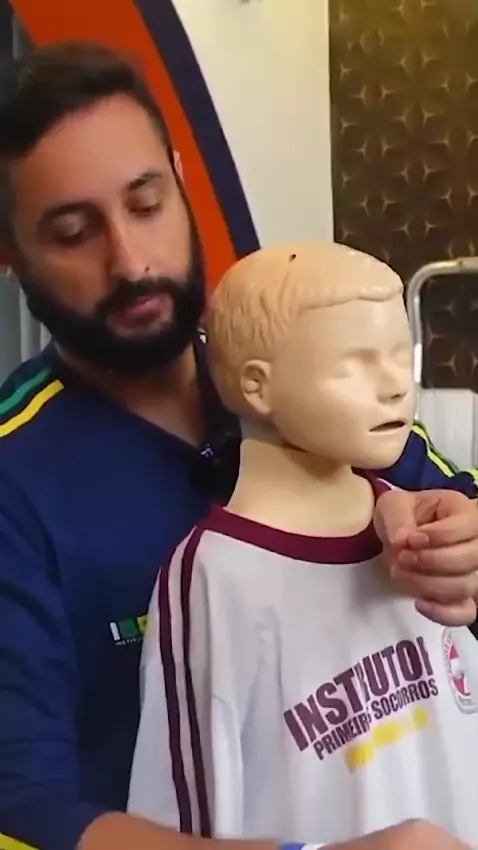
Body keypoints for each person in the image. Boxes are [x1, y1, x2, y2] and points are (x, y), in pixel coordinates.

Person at [0, 41, 477, 850]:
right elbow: (28, 809)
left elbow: (453, 502)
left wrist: (459, 546)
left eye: (146, 204)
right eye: (74, 232)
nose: (131, 261)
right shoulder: (17, 484)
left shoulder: (305, 375)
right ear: (10, 255)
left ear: (183, 182)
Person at [128, 243, 478, 846]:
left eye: (400, 357)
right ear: (258, 385)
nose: (395, 387)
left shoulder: (427, 535)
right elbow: (182, 827)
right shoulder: (213, 580)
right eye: (352, 365)